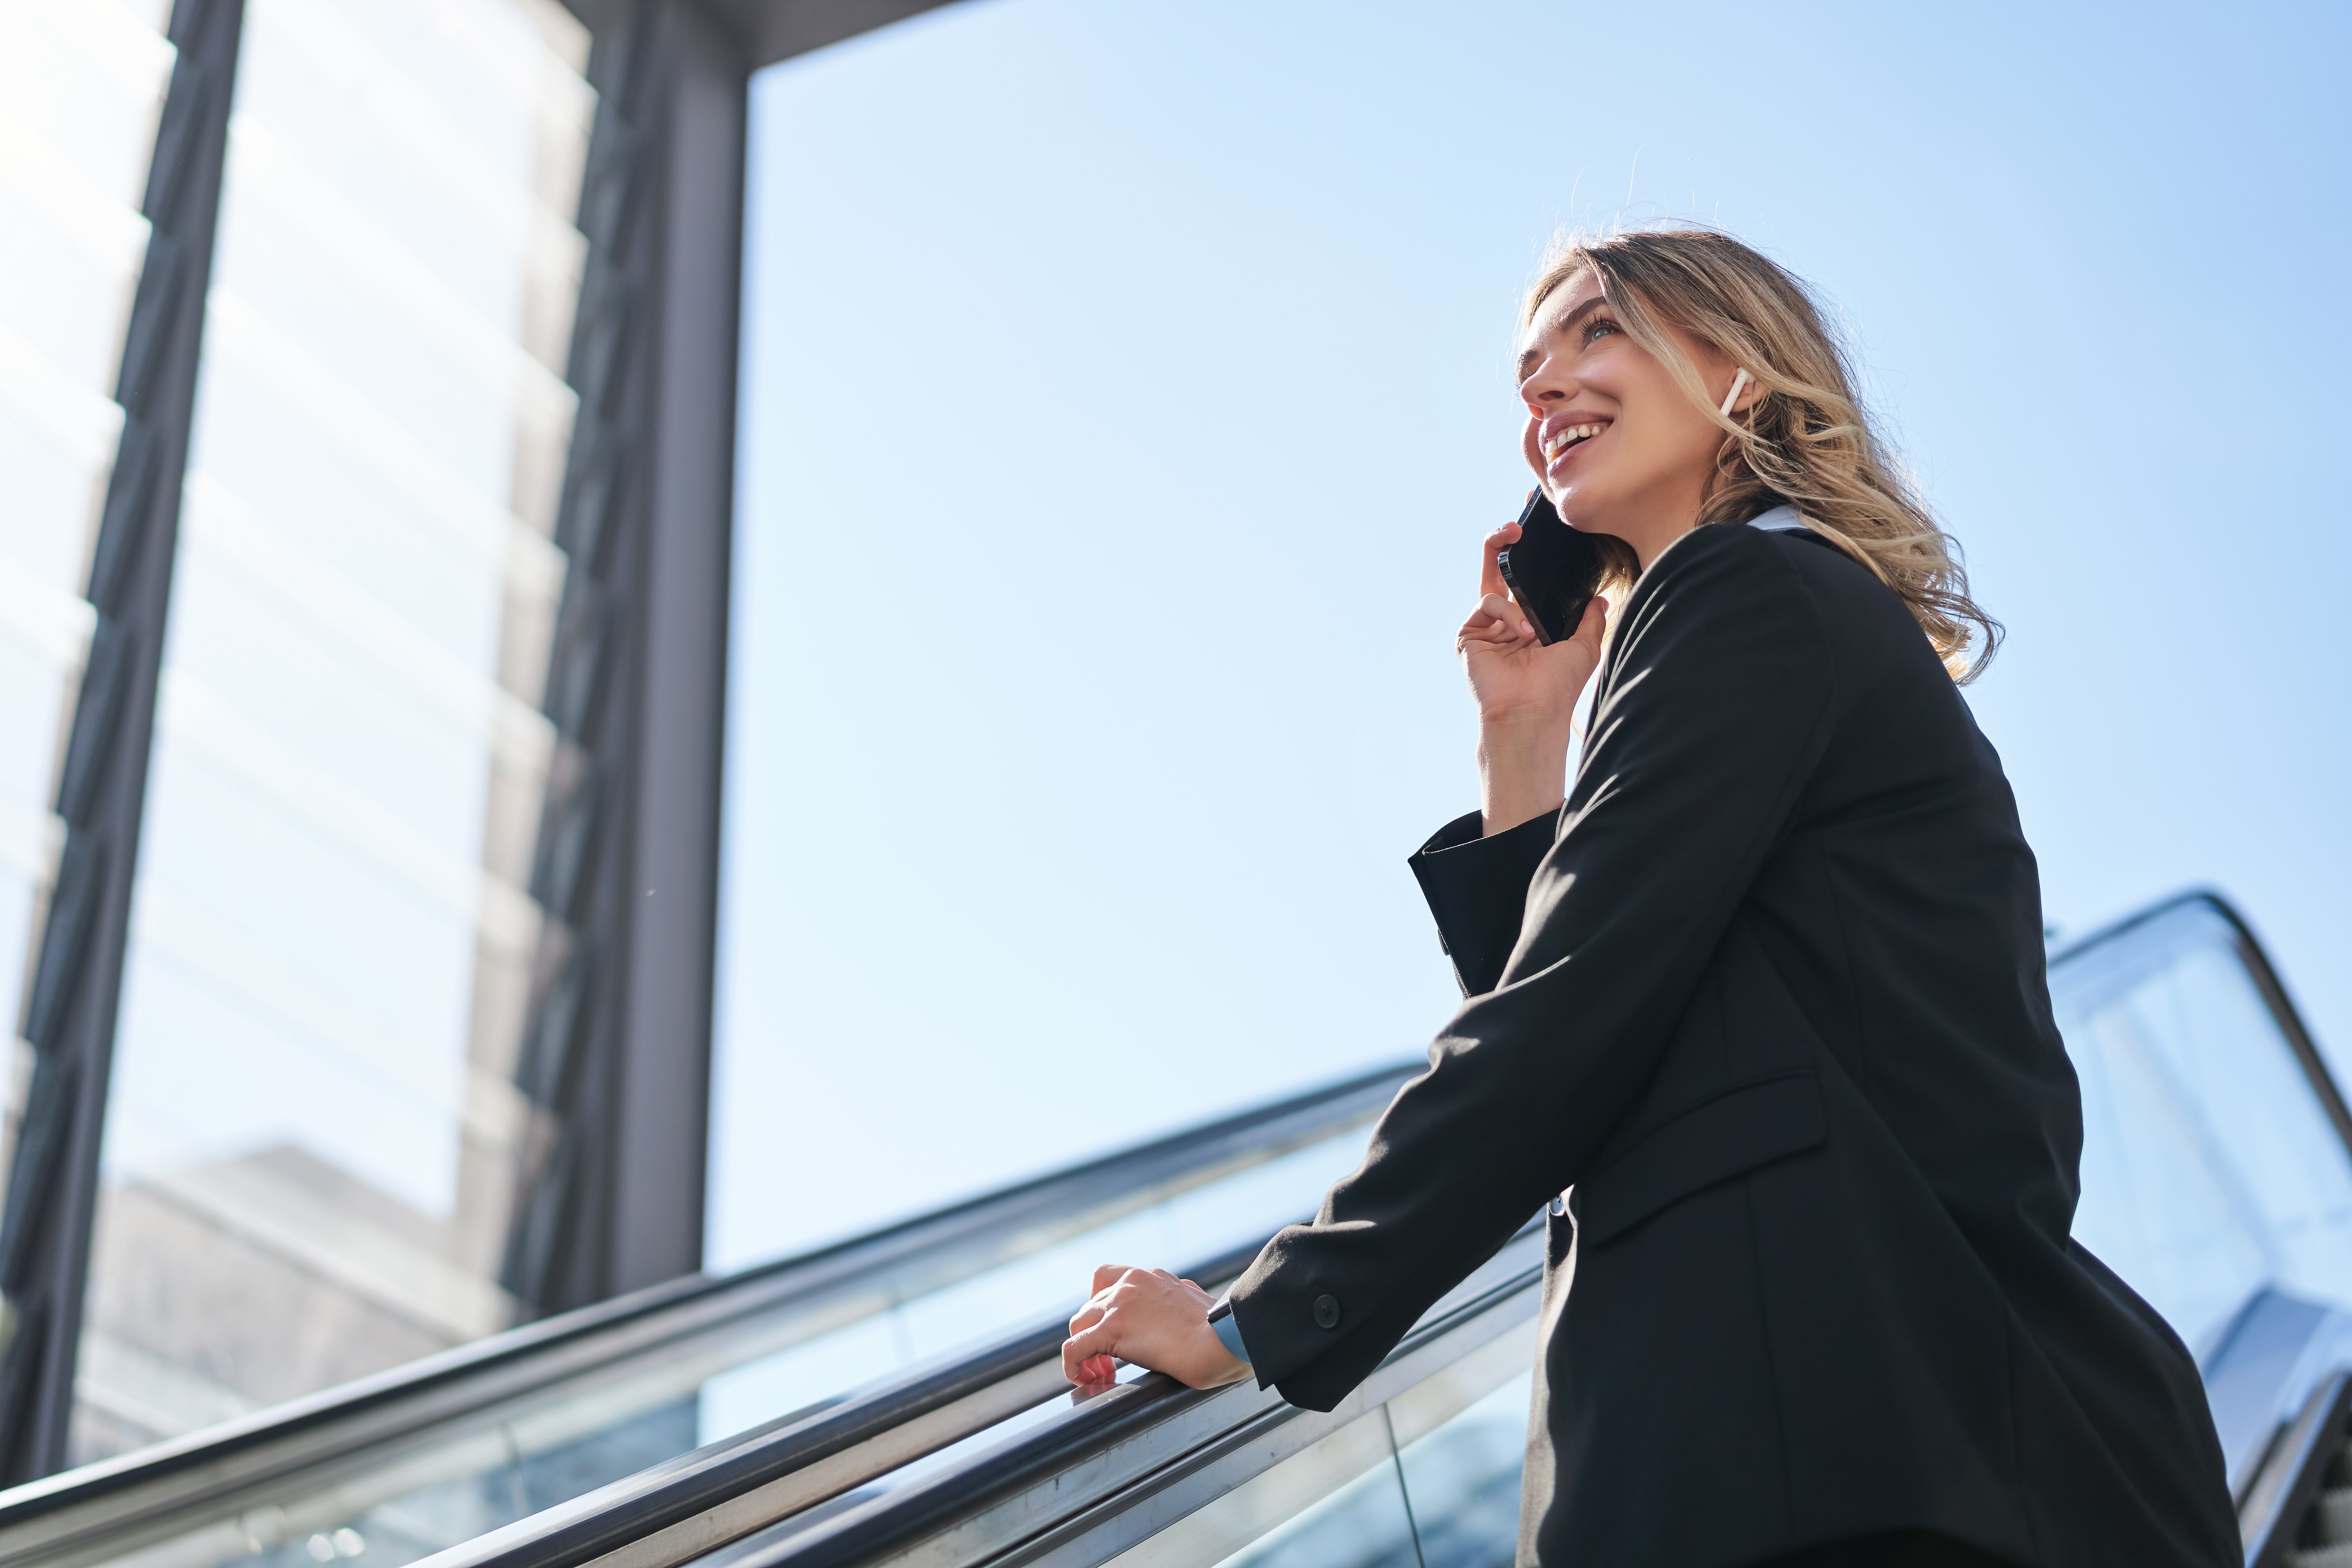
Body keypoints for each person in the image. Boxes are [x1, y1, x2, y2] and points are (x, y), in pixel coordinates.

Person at [1058, 228, 2239, 1567]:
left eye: (1594, 333)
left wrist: (1257, 1319)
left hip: (1834, 1454)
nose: (1543, 390)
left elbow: (1575, 1011)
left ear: (1739, 364)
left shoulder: (1747, 588)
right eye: (1526, 372)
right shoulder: (1769, 616)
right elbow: (1613, 1023)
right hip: (1858, 1438)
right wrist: (1525, 739)